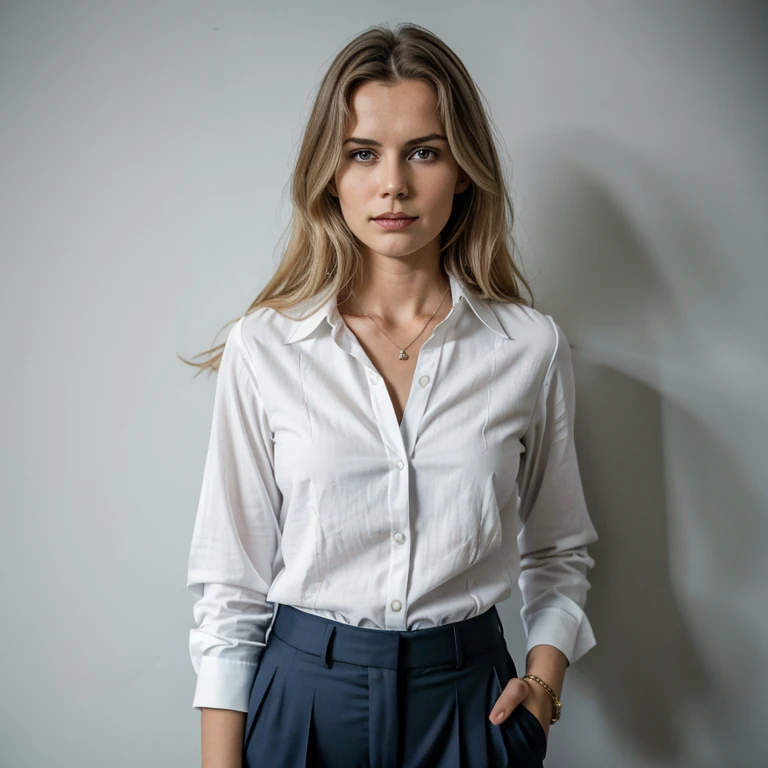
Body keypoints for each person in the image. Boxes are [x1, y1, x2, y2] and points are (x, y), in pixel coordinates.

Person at [182, 21, 598, 768]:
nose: (393, 184)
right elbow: (231, 590)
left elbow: (559, 550)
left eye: (425, 152)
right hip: (303, 703)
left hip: (471, 705)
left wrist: (543, 685)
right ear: (330, 173)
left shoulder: (529, 348)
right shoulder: (266, 348)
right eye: (363, 153)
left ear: (464, 169)